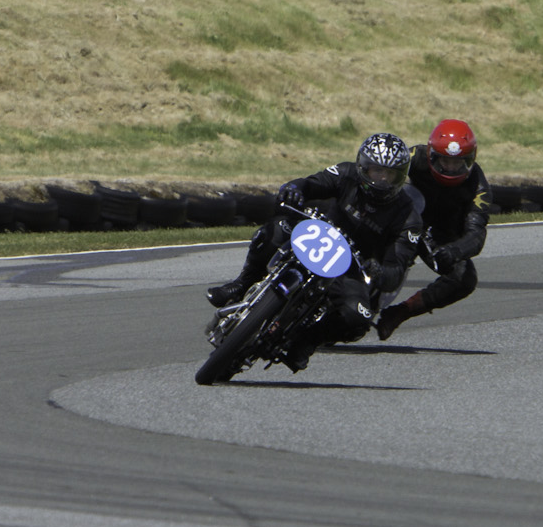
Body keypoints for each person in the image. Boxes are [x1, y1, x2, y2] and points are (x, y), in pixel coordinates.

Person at [205, 132, 422, 372]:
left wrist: (379, 271)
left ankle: (305, 343)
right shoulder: (346, 172)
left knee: (359, 317)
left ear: (400, 176)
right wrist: (294, 189)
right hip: (317, 235)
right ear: (363, 167)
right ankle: (242, 283)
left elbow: (397, 269)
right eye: (376, 171)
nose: (382, 179)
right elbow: (311, 183)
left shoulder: (408, 216)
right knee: (276, 229)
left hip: (351, 268)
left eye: (389, 174)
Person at [374, 118, 492, 341]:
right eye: (443, 161)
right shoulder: (411, 157)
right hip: (401, 216)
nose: (449, 168)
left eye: (458, 163)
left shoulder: (479, 187)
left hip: (438, 236)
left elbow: (477, 234)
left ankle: (401, 312)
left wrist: (454, 251)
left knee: (464, 278)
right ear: (430, 154)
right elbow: (377, 170)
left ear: (471, 160)